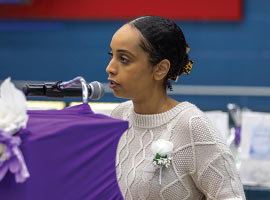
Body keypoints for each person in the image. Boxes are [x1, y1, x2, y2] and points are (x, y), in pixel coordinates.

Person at [106, 15, 246, 200]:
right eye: (112, 56)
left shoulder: (191, 125)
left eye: (124, 59)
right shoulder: (119, 116)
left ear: (160, 69)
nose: (110, 68)